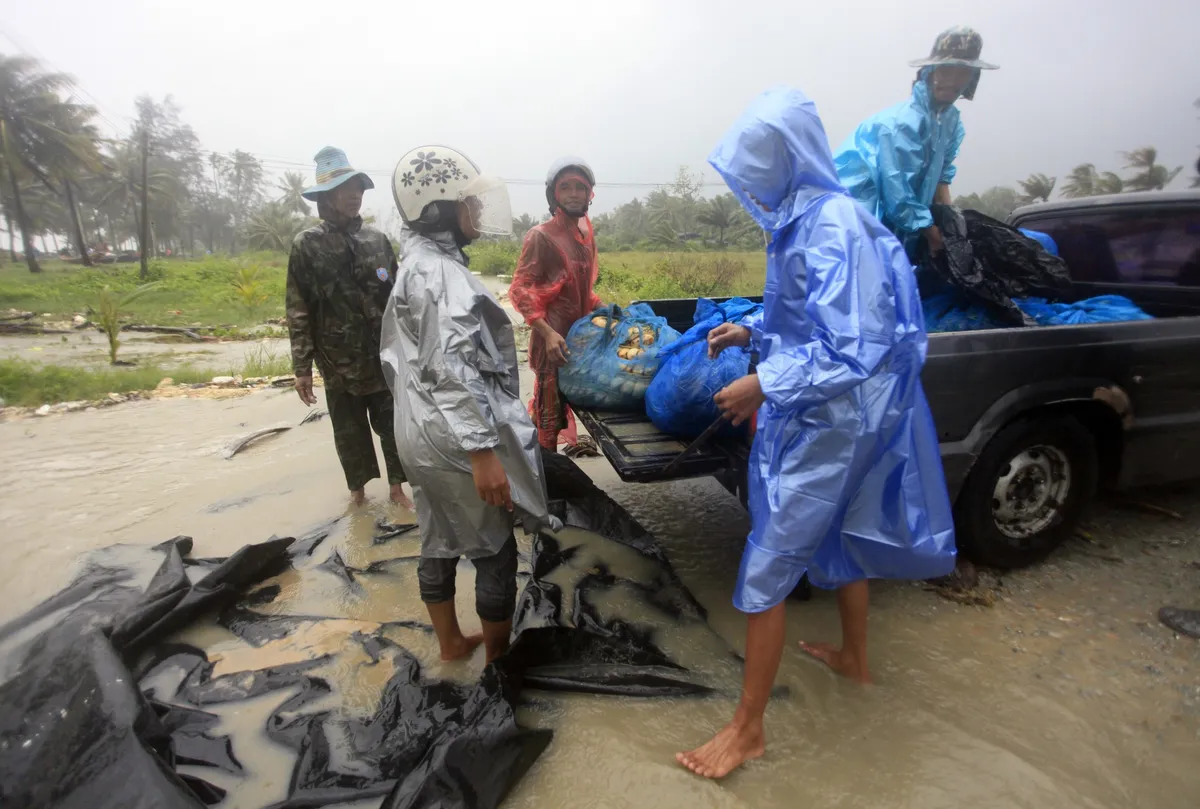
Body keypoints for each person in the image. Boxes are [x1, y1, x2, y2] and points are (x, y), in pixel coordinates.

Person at [676, 87, 957, 779]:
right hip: (842, 410)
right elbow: (814, 324)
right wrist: (756, 330)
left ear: (789, 155)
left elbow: (850, 343)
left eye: (759, 161)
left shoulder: (831, 224)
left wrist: (763, 382)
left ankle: (748, 729)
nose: (752, 179)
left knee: (770, 562)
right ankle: (856, 660)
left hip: (828, 418)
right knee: (846, 530)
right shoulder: (807, 222)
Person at [381, 145, 558, 663]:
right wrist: (482, 451)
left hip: (417, 427)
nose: (477, 213)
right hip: (455, 435)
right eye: (467, 204)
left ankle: (452, 645)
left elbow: (403, 359)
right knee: (494, 550)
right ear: (435, 208)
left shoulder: (416, 263)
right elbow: (451, 369)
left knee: (437, 535)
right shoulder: (440, 276)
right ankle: (500, 662)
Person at [286, 146, 411, 508]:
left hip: (382, 357)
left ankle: (397, 490)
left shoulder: (377, 241)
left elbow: (398, 300)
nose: (354, 194)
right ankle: (358, 495)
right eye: (345, 189)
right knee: (348, 430)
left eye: (357, 187)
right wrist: (301, 367)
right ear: (326, 198)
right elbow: (298, 308)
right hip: (336, 359)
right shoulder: (307, 246)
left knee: (393, 426)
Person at [834, 26, 999, 259]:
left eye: (962, 72)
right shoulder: (901, 125)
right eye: (946, 70)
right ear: (930, 71)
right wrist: (933, 235)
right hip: (854, 222)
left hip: (894, 224)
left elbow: (941, 176)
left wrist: (950, 224)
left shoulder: (950, 122)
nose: (952, 81)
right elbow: (897, 195)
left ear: (972, 77)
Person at [509, 158, 603, 451]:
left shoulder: (586, 235)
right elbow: (521, 289)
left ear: (589, 194)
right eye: (566, 188)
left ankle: (558, 472)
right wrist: (547, 333)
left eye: (581, 187)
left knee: (586, 403)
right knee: (549, 419)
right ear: (554, 195)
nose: (575, 193)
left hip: (582, 339)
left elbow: (582, 289)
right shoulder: (541, 236)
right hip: (553, 342)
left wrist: (605, 308)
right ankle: (546, 484)